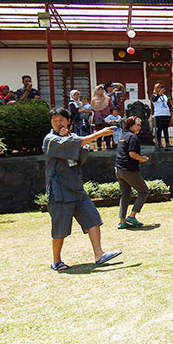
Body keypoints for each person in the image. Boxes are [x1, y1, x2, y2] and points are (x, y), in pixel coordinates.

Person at [43, 107, 121, 270]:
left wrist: (71, 139)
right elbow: (74, 144)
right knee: (60, 228)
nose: (58, 124)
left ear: (68, 121)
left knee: (92, 218)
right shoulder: (49, 139)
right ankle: (56, 261)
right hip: (59, 191)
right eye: (55, 121)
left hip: (76, 188)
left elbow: (83, 153)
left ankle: (99, 254)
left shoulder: (71, 137)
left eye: (61, 120)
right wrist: (99, 134)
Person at [114, 116, 150, 229]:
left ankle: (122, 221)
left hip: (118, 169)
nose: (139, 127)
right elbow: (132, 154)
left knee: (125, 195)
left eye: (140, 125)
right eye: (137, 125)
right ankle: (132, 216)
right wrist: (142, 158)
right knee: (144, 191)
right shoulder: (132, 137)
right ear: (131, 125)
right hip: (128, 170)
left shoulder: (123, 136)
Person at [91, 85, 112, 151]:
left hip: (107, 117)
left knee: (107, 131)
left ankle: (108, 145)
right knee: (99, 132)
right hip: (98, 117)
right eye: (99, 90)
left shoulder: (107, 98)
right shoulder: (94, 99)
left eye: (102, 89)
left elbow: (111, 107)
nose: (101, 91)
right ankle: (99, 146)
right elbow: (92, 108)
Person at [151, 83, 172, 149]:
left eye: (161, 87)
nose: (160, 89)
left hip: (166, 114)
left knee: (165, 129)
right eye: (159, 87)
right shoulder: (153, 96)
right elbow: (154, 100)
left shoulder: (165, 96)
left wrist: (170, 104)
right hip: (158, 114)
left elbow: (168, 104)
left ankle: (167, 143)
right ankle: (159, 143)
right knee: (159, 129)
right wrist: (159, 94)